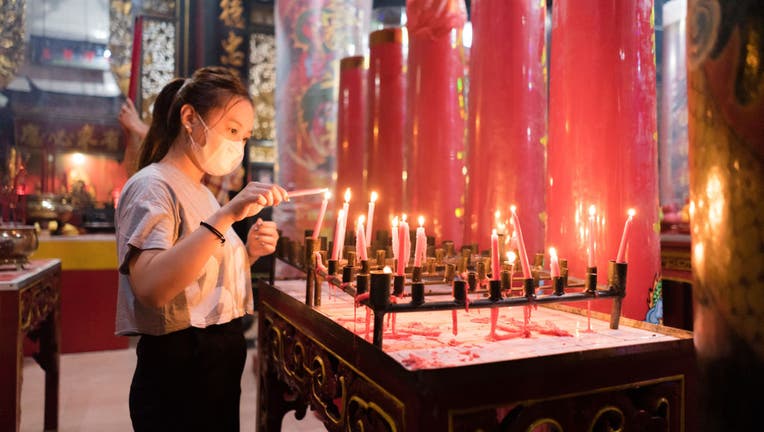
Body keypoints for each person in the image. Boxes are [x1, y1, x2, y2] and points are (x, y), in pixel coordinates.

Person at [114, 66, 288, 431]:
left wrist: (249, 251)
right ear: (190, 118)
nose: (238, 145)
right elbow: (152, 287)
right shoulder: (152, 186)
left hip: (217, 359)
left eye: (245, 136)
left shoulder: (203, 192)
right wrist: (226, 215)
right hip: (180, 364)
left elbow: (199, 271)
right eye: (232, 130)